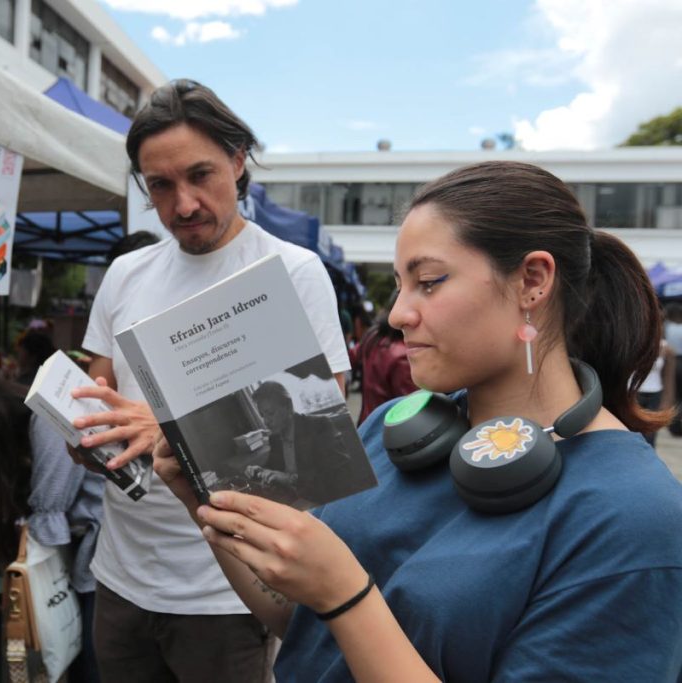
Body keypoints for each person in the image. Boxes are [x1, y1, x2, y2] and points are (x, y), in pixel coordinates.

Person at [153, 161, 682, 681]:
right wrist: (203, 500)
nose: (398, 314)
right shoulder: (391, 428)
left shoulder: (633, 514)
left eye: (429, 281)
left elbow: (336, 602)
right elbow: (302, 622)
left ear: (533, 281)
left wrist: (346, 595)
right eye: (401, 285)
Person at [68, 79, 349, 681]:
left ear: (238, 161)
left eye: (201, 175)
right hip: (120, 576)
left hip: (226, 587)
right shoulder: (125, 274)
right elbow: (100, 391)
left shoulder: (293, 272)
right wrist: (87, 435)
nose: (185, 204)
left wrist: (170, 425)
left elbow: (320, 434)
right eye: (161, 186)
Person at [0, 379, 103, 683]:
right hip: (106, 568)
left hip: (104, 574)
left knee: (90, 667)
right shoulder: (45, 416)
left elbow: (48, 525)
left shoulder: (49, 424)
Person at [243, 381, 355, 506]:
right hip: (293, 500)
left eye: (270, 413)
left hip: (322, 502)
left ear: (288, 406)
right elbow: (274, 467)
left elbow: (340, 479)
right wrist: (261, 472)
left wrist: (290, 479)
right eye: (262, 415)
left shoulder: (319, 426)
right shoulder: (274, 437)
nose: (266, 422)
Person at [353, 296, 418, 425]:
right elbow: (412, 410)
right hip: (389, 430)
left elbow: (351, 357)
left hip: (367, 425)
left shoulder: (373, 336)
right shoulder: (402, 357)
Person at [636, 337, 676, 446]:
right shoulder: (634, 343)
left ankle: (649, 452)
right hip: (636, 393)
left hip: (655, 393)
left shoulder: (664, 347)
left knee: (651, 431)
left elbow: (669, 378)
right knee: (635, 429)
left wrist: (667, 400)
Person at [665, 303, 682, 436]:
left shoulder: (666, 327)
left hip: (670, 362)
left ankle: (673, 425)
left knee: (673, 395)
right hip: (680, 361)